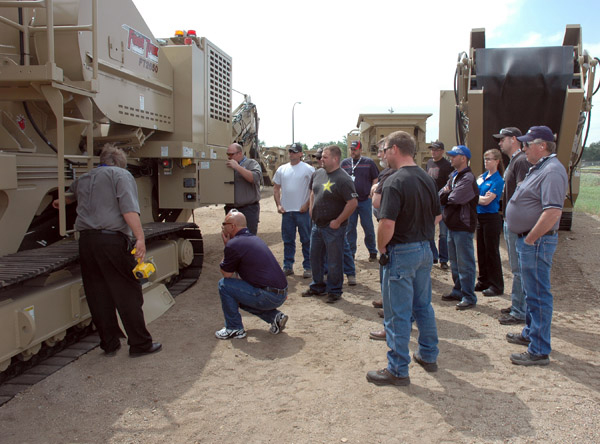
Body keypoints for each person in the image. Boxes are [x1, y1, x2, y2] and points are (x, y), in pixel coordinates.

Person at [52, 145, 161, 357]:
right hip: (111, 241)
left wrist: (59, 201)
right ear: (120, 162)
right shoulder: (121, 175)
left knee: (97, 294)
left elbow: (68, 196)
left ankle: (109, 343)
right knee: (127, 292)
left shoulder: (85, 178)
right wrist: (140, 238)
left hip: (86, 241)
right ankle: (140, 344)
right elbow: (128, 209)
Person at [366, 131, 441, 386]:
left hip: (401, 251)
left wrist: (381, 249)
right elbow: (437, 216)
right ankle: (429, 355)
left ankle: (398, 369)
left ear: (395, 149)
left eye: (385, 149)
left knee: (397, 313)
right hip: (424, 249)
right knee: (423, 306)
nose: (383, 154)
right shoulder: (427, 178)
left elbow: (386, 223)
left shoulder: (394, 181)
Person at [505, 126, 567, 366]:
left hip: (537, 242)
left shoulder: (552, 171)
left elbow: (552, 211)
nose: (525, 148)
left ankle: (539, 349)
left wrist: (530, 239)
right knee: (532, 293)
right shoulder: (540, 168)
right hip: (530, 240)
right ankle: (531, 333)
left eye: (528, 144)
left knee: (539, 295)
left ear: (542, 146)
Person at [216, 210, 289, 339]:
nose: (222, 227)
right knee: (236, 294)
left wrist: (226, 246)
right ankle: (275, 317)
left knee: (224, 285)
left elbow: (226, 274)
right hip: (280, 293)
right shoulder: (253, 238)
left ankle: (234, 328)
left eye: (224, 223)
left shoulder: (234, 244)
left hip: (269, 295)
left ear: (232, 226)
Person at [303, 145, 358, 303]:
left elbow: (352, 203)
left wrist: (338, 221)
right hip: (317, 226)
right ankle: (318, 286)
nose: (321, 160)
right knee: (315, 258)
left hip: (333, 228)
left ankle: (334, 290)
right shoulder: (318, 174)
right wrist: (311, 209)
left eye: (325, 157)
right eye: (321, 157)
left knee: (334, 261)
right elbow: (313, 191)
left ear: (335, 159)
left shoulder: (343, 179)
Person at [493, 127, 531, 325]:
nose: (499, 143)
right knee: (517, 268)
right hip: (511, 220)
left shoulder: (522, 161)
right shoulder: (515, 161)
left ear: (513, 139)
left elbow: (523, 193)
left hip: (516, 223)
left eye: (502, 139)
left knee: (519, 269)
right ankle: (517, 303)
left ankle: (519, 311)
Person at [439, 145, 479, 310]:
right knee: (454, 262)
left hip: (463, 226)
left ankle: (469, 296)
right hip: (452, 226)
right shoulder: (454, 176)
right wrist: (447, 193)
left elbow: (455, 198)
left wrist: (447, 193)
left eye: (454, 156)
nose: (451, 158)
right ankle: (458, 290)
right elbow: (441, 195)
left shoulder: (468, 178)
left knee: (465, 263)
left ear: (463, 158)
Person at [273, 142, 315, 278]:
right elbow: (276, 188)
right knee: (288, 240)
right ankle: (288, 266)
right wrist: (278, 205)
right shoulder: (281, 169)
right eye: (290, 151)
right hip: (287, 212)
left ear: (301, 154)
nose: (292, 154)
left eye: (295, 151)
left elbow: (314, 190)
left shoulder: (308, 169)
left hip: (302, 212)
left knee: (306, 240)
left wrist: (307, 205)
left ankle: (308, 267)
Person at [341, 141, 379, 261]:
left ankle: (372, 251)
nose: (353, 151)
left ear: (361, 150)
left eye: (355, 149)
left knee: (368, 227)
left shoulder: (369, 163)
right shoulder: (345, 163)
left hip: (364, 201)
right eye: (351, 149)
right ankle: (351, 252)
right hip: (350, 201)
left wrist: (371, 192)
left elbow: (375, 178)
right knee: (350, 227)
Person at [475, 148, 505, 297]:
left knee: (491, 252)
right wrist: (478, 197)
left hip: (491, 218)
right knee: (481, 250)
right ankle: (483, 280)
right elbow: (474, 193)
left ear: (497, 162)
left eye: (489, 159)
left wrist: (476, 198)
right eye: (485, 159)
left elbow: (487, 201)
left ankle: (496, 285)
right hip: (480, 217)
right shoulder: (483, 177)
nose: (486, 162)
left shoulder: (498, 180)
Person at [426, 141, 453, 270]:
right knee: (429, 231)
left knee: (443, 233)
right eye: (432, 150)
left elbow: (450, 184)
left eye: (436, 150)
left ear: (442, 151)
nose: (434, 152)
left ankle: (444, 259)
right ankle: (433, 256)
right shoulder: (429, 163)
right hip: (431, 203)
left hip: (443, 203)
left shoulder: (448, 166)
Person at [224, 143, 262, 235]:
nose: (229, 157)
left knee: (248, 238)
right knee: (232, 237)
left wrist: (237, 167)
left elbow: (254, 178)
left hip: (248, 209)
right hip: (231, 209)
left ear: (240, 153)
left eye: (231, 154)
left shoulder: (251, 163)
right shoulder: (227, 166)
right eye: (227, 154)